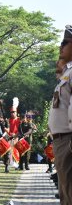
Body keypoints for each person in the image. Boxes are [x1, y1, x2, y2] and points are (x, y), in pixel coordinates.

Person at [48, 25, 72, 204]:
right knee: (65, 193)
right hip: (61, 140)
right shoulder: (67, 73)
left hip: (68, 140)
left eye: (65, 43)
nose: (60, 47)